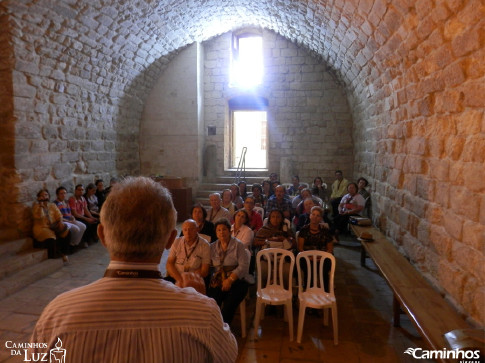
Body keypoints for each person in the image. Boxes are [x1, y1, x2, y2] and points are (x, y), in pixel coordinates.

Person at [31, 177, 237, 362]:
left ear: (102, 236)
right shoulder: (202, 314)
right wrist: (199, 300)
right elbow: (227, 355)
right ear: (170, 240)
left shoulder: (56, 315)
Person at [207, 218, 249, 325]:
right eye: (219, 230)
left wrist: (230, 280)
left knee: (229, 305)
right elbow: (210, 266)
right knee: (212, 302)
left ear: (229, 231)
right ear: (216, 233)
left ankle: (223, 328)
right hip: (218, 280)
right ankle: (214, 327)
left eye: (224, 229)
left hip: (236, 280)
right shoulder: (212, 247)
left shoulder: (237, 245)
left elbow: (243, 265)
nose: (221, 232)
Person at [254, 209, 295, 288]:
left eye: (278, 217)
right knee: (263, 270)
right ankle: (263, 292)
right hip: (266, 258)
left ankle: (286, 292)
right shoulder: (263, 230)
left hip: (283, 258)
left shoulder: (287, 230)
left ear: (282, 219)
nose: (275, 219)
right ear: (269, 218)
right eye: (273, 217)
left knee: (287, 271)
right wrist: (268, 241)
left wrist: (284, 239)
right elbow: (255, 242)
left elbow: (293, 244)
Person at [297, 206, 335, 291]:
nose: (315, 217)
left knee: (324, 269)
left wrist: (322, 257)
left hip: (322, 257)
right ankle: (308, 292)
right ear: (310, 216)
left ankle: (325, 292)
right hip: (307, 257)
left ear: (321, 218)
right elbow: (300, 248)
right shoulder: (304, 230)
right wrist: (309, 257)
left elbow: (330, 248)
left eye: (318, 215)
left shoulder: (325, 230)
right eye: (313, 214)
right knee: (309, 268)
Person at [166, 219, 210, 286]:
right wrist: (180, 280)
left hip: (194, 279)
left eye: (191, 229)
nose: (188, 233)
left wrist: (188, 281)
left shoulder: (205, 245)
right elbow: (169, 264)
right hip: (177, 276)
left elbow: (204, 270)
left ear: (197, 229)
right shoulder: (176, 242)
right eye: (185, 230)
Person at [32, 189, 70, 263]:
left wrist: (60, 221)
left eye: (46, 195)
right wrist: (41, 206)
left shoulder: (52, 205)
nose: (44, 197)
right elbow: (40, 217)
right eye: (42, 195)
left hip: (53, 225)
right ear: (39, 197)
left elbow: (59, 215)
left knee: (67, 231)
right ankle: (53, 257)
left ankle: (65, 253)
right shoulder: (36, 207)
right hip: (42, 227)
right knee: (51, 237)